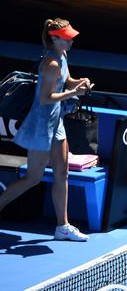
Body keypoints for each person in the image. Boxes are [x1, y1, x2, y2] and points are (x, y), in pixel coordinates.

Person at [0, 18, 91, 241]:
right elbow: (45, 98)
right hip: (41, 125)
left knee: (62, 173)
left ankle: (63, 226)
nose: (71, 41)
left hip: (56, 122)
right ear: (55, 38)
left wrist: (80, 82)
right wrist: (73, 94)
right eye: (67, 37)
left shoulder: (63, 56)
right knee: (33, 178)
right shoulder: (50, 64)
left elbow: (67, 80)